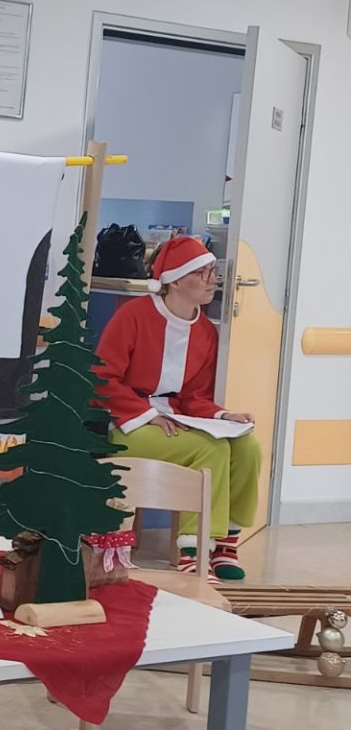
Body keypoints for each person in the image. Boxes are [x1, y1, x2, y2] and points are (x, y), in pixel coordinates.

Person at [95, 235, 260, 581]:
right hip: (126, 421)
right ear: (175, 280)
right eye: (202, 273)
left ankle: (226, 542)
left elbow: (195, 396)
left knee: (247, 446)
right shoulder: (133, 316)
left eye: (213, 271)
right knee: (211, 449)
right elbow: (102, 379)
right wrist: (148, 415)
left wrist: (223, 416)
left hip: (174, 418)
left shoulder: (205, 332)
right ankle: (193, 551)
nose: (212, 280)